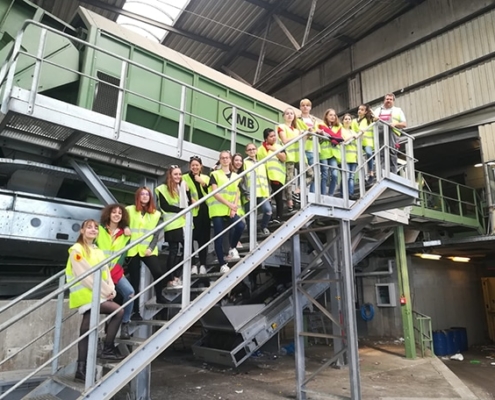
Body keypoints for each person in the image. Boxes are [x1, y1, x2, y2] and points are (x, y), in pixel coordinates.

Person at [66, 219, 124, 383]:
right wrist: (106, 291)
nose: (93, 230)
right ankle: (107, 347)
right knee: (118, 311)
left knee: (86, 331)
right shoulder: (76, 249)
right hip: (86, 295)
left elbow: (105, 271)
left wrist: (111, 289)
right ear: (82, 231)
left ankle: (81, 370)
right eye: (89, 227)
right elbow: (84, 276)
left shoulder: (98, 250)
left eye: (95, 228)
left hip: (98, 294)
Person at [126, 187, 166, 320]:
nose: (144, 196)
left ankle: (159, 296)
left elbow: (156, 234)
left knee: (158, 272)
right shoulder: (129, 210)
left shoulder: (156, 213)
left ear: (150, 197)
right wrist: (125, 227)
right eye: (142, 194)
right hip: (132, 250)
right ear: (138, 197)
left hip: (147, 249)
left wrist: (151, 247)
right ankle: (135, 312)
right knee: (134, 282)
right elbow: (122, 223)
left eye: (147, 194)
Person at [96, 204, 134, 340]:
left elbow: (123, 256)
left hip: (116, 271)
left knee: (130, 293)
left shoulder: (125, 234)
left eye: (120, 213)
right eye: (114, 212)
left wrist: (117, 270)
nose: (117, 215)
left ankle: (125, 324)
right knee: (107, 300)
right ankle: (107, 326)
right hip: (100, 272)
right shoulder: (99, 230)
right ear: (108, 214)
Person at [208, 150, 245, 273]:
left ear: (230, 160)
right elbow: (215, 193)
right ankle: (222, 264)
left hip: (229, 209)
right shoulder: (215, 174)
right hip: (217, 209)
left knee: (240, 225)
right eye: (222, 158)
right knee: (219, 235)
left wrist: (233, 207)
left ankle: (232, 247)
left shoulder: (235, 176)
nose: (225, 160)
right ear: (220, 160)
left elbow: (236, 192)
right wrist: (229, 204)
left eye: (227, 158)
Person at [156, 166, 190, 288]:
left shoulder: (182, 187)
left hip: (184, 223)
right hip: (172, 224)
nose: (178, 177)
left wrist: (187, 191)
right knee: (174, 251)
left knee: (188, 250)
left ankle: (176, 275)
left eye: (180, 174)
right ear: (170, 175)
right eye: (175, 174)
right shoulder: (162, 189)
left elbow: (189, 202)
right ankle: (171, 278)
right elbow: (165, 207)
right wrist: (182, 210)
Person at [182, 156, 210, 276]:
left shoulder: (206, 178)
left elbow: (212, 192)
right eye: (192, 165)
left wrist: (202, 183)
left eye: (197, 165)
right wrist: (190, 200)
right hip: (192, 211)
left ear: (201, 166)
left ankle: (203, 264)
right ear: (190, 166)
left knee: (204, 239)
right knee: (191, 238)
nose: (195, 167)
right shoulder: (184, 178)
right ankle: (193, 264)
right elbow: (182, 194)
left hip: (205, 210)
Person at [372, 93, 407, 174]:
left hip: (392, 135)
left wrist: (395, 124)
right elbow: (372, 121)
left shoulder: (398, 110)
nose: (389, 101)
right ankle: (381, 173)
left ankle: (392, 174)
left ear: (393, 101)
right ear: (384, 100)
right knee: (380, 154)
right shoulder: (377, 110)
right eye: (387, 99)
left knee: (392, 154)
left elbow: (404, 124)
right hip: (380, 135)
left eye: (390, 99)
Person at [258, 128, 286, 223]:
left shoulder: (278, 146)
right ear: (266, 138)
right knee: (267, 197)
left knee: (278, 197)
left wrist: (274, 150)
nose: (274, 138)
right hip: (265, 177)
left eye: (275, 136)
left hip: (276, 175)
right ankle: (269, 219)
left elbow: (283, 158)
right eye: (271, 136)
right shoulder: (260, 149)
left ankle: (279, 217)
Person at [244, 143, 272, 236]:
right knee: (250, 216)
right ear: (246, 152)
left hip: (262, 193)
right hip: (250, 194)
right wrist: (246, 193)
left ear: (256, 150)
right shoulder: (244, 163)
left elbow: (265, 180)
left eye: (253, 149)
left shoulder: (262, 164)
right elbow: (243, 179)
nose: (252, 151)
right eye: (249, 149)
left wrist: (268, 194)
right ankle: (251, 234)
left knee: (268, 210)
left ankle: (263, 226)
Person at [277, 108, 301, 212]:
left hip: (299, 156)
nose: (290, 115)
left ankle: (296, 192)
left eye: (291, 113)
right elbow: (285, 140)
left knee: (311, 174)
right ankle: (290, 204)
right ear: (284, 116)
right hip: (289, 156)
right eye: (287, 113)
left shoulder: (296, 130)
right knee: (289, 180)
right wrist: (297, 136)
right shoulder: (281, 127)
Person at [316, 109, 343, 196]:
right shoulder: (321, 125)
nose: (332, 117)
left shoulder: (338, 126)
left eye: (334, 115)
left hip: (333, 154)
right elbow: (337, 137)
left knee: (335, 175)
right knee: (325, 174)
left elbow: (339, 137)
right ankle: (323, 194)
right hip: (324, 153)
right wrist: (335, 138)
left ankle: (331, 194)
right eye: (330, 115)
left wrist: (333, 138)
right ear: (326, 116)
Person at [296, 98, 319, 193]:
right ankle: (299, 192)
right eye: (303, 105)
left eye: (307, 105)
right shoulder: (297, 119)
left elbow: (316, 131)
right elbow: (297, 131)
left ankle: (312, 193)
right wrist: (307, 131)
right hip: (302, 147)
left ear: (310, 107)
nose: (305, 107)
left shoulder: (314, 120)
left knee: (314, 172)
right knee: (302, 172)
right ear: (300, 107)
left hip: (313, 148)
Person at [352, 104, 375, 184]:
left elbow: (377, 119)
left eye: (362, 110)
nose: (359, 111)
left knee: (369, 153)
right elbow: (353, 131)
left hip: (367, 142)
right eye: (359, 109)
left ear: (365, 112)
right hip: (358, 143)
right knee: (360, 159)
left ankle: (371, 173)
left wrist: (371, 111)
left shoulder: (368, 119)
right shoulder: (354, 121)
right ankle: (364, 176)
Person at [341, 113, 358, 198]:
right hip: (345, 157)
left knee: (351, 177)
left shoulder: (353, 131)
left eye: (349, 119)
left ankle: (350, 194)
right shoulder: (341, 130)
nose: (347, 121)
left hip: (354, 157)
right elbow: (342, 141)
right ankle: (344, 193)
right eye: (346, 119)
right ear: (343, 121)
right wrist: (351, 137)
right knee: (346, 176)